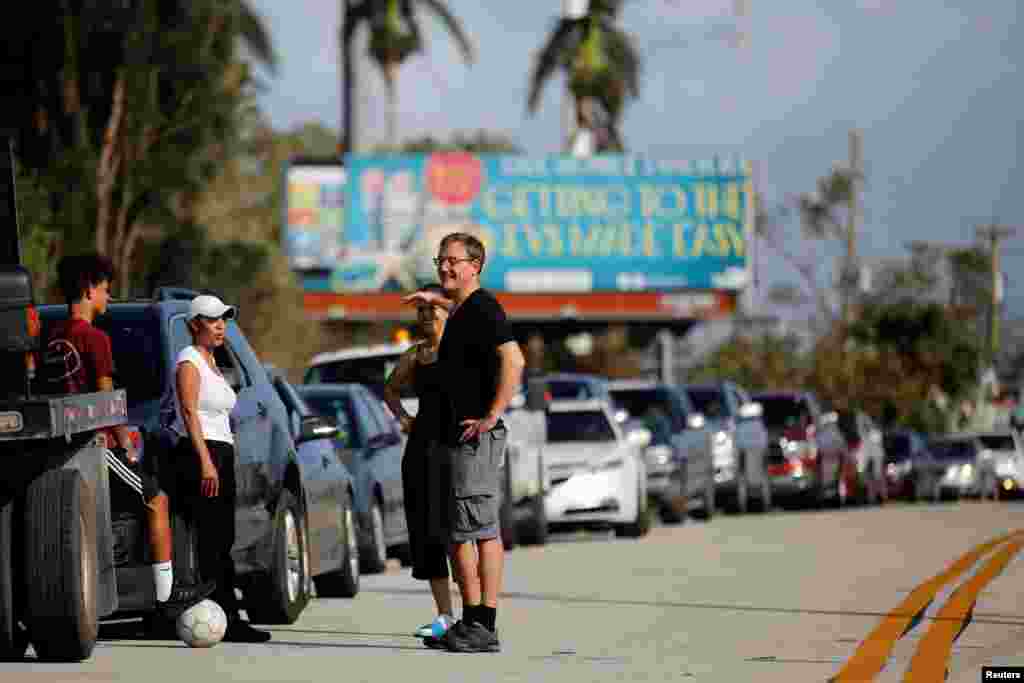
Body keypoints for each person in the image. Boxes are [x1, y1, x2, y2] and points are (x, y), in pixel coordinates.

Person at [46, 254, 214, 620]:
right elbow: (108, 402)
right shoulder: (95, 339)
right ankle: (166, 598)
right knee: (156, 498)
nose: (108, 297)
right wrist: (126, 444)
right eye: (105, 290)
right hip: (95, 445)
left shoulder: (51, 337)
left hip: (55, 448)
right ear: (89, 289)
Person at [403, 233, 526, 653]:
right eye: (440, 260)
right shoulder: (465, 310)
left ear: (476, 265)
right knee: (460, 532)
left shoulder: (485, 307)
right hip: (456, 437)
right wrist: (436, 298)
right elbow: (459, 309)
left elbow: (514, 359)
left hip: (476, 436)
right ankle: (472, 620)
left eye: (453, 261)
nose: (444, 267)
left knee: (480, 530)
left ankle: (482, 623)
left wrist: (493, 414)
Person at [169, 294, 271, 643]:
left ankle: (227, 613)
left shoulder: (213, 361)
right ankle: (222, 614)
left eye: (223, 320)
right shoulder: (189, 362)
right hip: (202, 456)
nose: (220, 326)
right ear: (194, 324)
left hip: (220, 454)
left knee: (223, 538)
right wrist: (206, 462)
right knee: (211, 540)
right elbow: (188, 413)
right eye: (213, 320)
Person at [383, 283, 456, 642]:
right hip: (421, 450)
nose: (427, 316)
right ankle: (444, 615)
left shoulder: (461, 350)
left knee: (458, 531)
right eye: (421, 311)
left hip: (457, 448)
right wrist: (404, 418)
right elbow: (390, 388)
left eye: (433, 309)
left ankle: (474, 612)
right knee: (427, 534)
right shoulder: (416, 355)